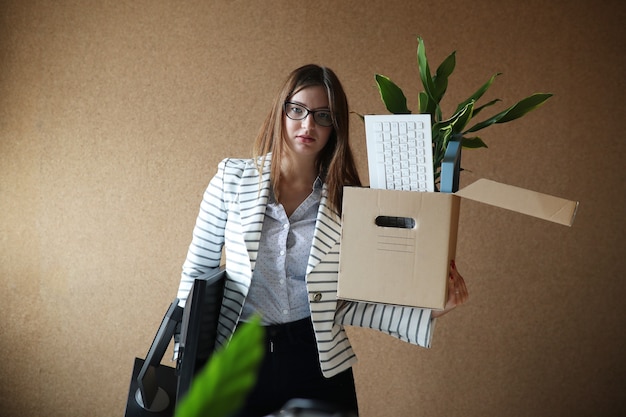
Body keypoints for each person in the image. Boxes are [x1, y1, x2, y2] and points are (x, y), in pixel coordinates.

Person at [176, 64, 469, 416]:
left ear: (335, 127)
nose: (308, 125)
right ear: (280, 111)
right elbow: (198, 269)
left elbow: (356, 299)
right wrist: (185, 355)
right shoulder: (232, 179)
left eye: (323, 115)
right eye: (297, 110)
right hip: (238, 355)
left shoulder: (350, 202)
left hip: (316, 360)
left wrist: (433, 307)